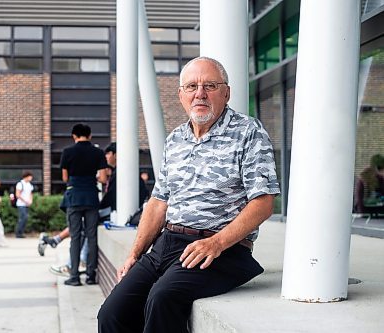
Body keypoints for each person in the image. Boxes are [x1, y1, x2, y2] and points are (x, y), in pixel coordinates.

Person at [97, 56, 280, 332]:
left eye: (210, 85)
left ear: (227, 92)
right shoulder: (175, 140)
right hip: (167, 243)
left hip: (221, 250)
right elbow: (159, 203)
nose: (200, 94)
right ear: (181, 95)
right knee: (112, 313)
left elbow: (264, 202)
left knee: (162, 299)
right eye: (192, 86)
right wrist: (135, 253)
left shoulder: (247, 132)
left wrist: (217, 243)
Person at [37, 142, 149, 255]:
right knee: (85, 225)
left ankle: (70, 255)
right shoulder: (121, 172)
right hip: (118, 211)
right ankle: (60, 245)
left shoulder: (122, 173)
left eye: (107, 154)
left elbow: (110, 198)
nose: (105, 157)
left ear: (115, 155)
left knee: (86, 225)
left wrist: (97, 207)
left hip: (120, 214)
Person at [59, 123, 108, 286]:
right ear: (90, 135)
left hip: (74, 198)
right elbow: (102, 178)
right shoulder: (98, 153)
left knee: (75, 237)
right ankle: (90, 275)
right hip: (91, 197)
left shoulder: (67, 152)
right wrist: (90, 179)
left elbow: (65, 178)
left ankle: (74, 276)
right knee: (91, 236)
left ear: (74, 136)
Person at [15, 171, 34, 238]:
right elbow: (18, 194)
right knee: (23, 218)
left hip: (27, 204)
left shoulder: (29, 184)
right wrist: (25, 201)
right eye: (30, 176)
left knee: (25, 218)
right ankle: (18, 233)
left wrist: (30, 201)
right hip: (21, 204)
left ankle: (21, 232)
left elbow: (31, 193)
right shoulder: (20, 184)